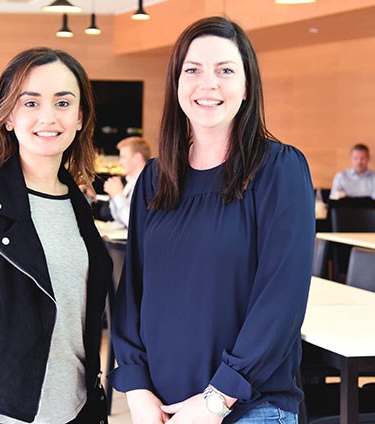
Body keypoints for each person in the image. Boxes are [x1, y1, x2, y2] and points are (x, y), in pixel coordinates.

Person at [109, 16, 314, 424]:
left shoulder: (279, 169)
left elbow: (282, 298)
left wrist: (216, 400)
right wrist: (135, 386)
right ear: (177, 84)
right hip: (162, 407)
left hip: (248, 407)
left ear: (247, 86)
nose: (209, 84)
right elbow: (133, 288)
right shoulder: (156, 176)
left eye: (225, 70)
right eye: (193, 70)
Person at [0, 47, 112, 423]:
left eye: (63, 102)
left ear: (79, 118)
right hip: (4, 412)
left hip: (77, 409)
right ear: (8, 116)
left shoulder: (77, 201)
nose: (49, 116)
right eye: (31, 103)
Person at [103, 136, 151, 227]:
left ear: (137, 158)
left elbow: (135, 223)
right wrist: (114, 195)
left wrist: (117, 195)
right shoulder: (131, 181)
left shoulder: (148, 183)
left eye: (123, 157)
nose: (120, 162)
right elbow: (119, 218)